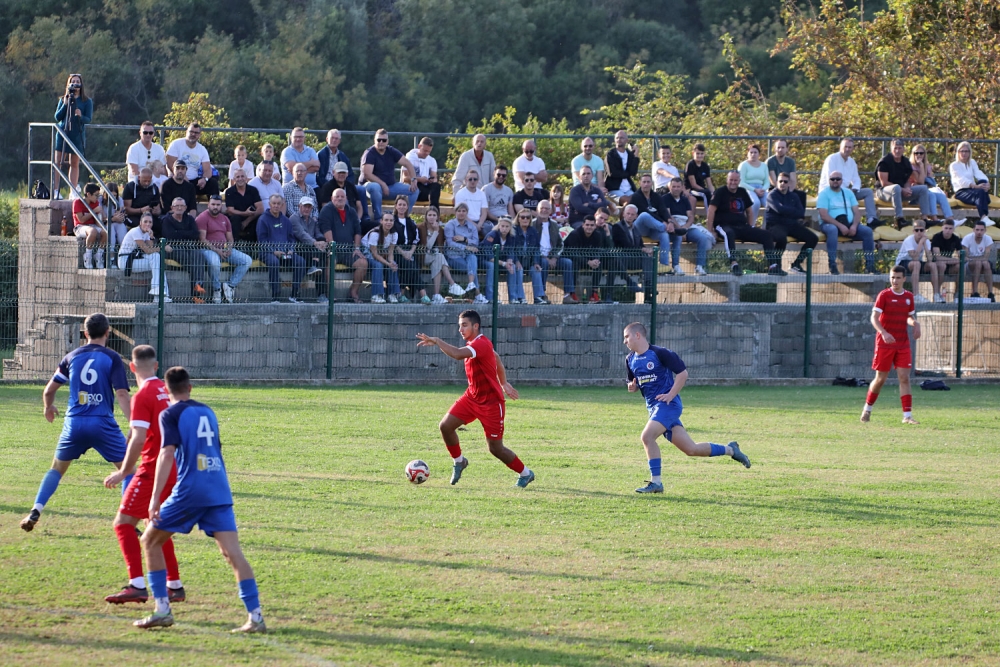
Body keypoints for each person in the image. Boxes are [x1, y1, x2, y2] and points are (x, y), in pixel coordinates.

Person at [133, 366, 265, 633]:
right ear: (190, 387)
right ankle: (256, 617)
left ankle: (162, 610)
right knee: (232, 553)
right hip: (219, 487)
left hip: (191, 489)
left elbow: (167, 454)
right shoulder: (208, 411)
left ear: (167, 391)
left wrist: (156, 498)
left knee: (149, 540)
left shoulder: (169, 413)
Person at [20, 313, 130, 533]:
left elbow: (49, 390)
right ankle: (129, 518)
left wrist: (48, 407)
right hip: (102, 423)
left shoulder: (71, 357)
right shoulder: (112, 358)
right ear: (108, 332)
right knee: (129, 470)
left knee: (56, 469)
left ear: (85, 332)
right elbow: (121, 393)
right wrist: (133, 422)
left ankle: (36, 509)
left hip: (75, 423)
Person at [623, 322, 750, 494]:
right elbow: (634, 382)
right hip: (654, 409)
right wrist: (633, 387)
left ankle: (656, 483)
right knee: (691, 449)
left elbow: (683, 374)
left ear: (638, 335)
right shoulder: (630, 360)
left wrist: (670, 395)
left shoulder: (660, 353)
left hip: (668, 405)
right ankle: (731, 450)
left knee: (647, 437)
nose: (625, 341)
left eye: (627, 337)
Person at [101, 345, 185, 605]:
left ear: (132, 367)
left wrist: (124, 471)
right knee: (156, 527)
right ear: (157, 366)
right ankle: (174, 585)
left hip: (152, 468)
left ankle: (137, 584)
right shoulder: (165, 389)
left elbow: (138, 438)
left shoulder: (143, 394)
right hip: (174, 466)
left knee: (123, 523)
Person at [416, 310, 534, 488]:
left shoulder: (480, 344)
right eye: (459, 325)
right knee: (445, 426)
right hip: (471, 398)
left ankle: (526, 473)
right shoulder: (475, 343)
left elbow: (456, 354)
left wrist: (437, 340)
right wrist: (504, 382)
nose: (460, 329)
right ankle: (459, 461)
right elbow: (497, 358)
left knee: (495, 449)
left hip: (492, 404)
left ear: (475, 326)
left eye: (464, 325)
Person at [861, 265, 921, 425]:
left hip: (902, 344)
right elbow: (874, 318)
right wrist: (884, 333)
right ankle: (867, 409)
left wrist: (915, 323)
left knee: (904, 378)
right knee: (880, 379)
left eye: (898, 277)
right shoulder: (884, 295)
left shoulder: (908, 297)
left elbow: (909, 317)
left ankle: (907, 416)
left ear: (904, 279)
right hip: (885, 344)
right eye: (892, 277)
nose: (895, 280)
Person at [704, 171, 778, 276]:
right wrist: (710, 230)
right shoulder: (720, 192)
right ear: (727, 180)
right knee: (729, 233)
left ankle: (773, 265)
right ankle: (734, 263)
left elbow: (749, 211)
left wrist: (751, 226)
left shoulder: (742, 191)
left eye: (735, 180)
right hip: (724, 225)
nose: (733, 182)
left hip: (742, 226)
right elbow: (711, 211)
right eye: (731, 180)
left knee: (766, 235)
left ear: (739, 181)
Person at [816, 170, 877, 274]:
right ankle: (832, 265)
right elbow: (824, 215)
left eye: (838, 179)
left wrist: (854, 226)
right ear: (829, 180)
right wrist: (840, 226)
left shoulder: (848, 193)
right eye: (832, 179)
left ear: (842, 181)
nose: (835, 181)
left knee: (867, 231)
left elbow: (857, 212)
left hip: (848, 225)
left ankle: (870, 266)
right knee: (832, 229)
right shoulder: (824, 194)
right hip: (830, 224)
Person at [196, 195, 253, 304]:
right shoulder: (202, 217)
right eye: (213, 204)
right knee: (215, 263)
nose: (215, 207)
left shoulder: (225, 218)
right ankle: (217, 289)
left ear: (221, 206)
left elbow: (230, 238)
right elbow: (202, 240)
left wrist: (228, 249)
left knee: (247, 260)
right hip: (208, 249)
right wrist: (217, 251)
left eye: (218, 205)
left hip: (224, 248)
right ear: (208, 205)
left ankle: (229, 286)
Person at [319, 188, 368, 303]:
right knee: (330, 261)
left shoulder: (351, 211)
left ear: (346, 198)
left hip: (348, 250)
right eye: (337, 196)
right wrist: (332, 246)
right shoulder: (326, 210)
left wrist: (356, 248)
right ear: (332, 198)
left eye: (342, 196)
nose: (340, 198)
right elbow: (326, 229)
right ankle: (330, 294)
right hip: (333, 248)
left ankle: (353, 293)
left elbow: (357, 231)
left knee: (363, 263)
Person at [818, 138, 882, 227]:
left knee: (868, 192)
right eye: (845, 147)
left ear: (852, 149)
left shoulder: (852, 162)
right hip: (831, 192)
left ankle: (871, 219)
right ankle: (849, 222)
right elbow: (833, 181)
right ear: (840, 147)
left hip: (848, 192)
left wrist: (854, 189)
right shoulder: (832, 159)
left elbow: (856, 179)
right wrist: (847, 192)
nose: (847, 149)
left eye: (850, 147)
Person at [256, 194, 307, 303]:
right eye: (274, 203)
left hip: (285, 253)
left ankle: (294, 294)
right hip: (267, 253)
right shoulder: (263, 220)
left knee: (300, 261)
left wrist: (290, 249)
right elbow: (262, 240)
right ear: (269, 204)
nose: (276, 206)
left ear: (282, 205)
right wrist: (274, 251)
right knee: (274, 262)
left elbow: (291, 238)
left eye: (278, 204)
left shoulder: (286, 220)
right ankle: (276, 296)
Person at [765, 172, 818, 274]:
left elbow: (801, 212)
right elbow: (779, 209)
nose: (783, 183)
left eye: (785, 181)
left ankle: (796, 264)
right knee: (781, 239)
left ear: (789, 183)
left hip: (791, 224)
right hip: (775, 224)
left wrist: (786, 210)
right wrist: (791, 210)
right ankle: (776, 266)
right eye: (780, 181)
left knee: (813, 238)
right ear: (777, 182)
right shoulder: (772, 195)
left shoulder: (794, 196)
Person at [360, 129, 418, 218]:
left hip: (390, 187)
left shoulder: (391, 151)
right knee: (375, 187)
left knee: (414, 191)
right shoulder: (369, 153)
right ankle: (378, 218)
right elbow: (367, 174)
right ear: (374, 140)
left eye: (384, 140)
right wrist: (383, 184)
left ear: (387, 141)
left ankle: (401, 217)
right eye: (379, 140)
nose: (381, 142)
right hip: (370, 188)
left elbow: (407, 163)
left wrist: (414, 179)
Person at [663, 177, 715, 276]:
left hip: (686, 226)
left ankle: (700, 266)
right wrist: (680, 229)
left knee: (702, 238)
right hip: (674, 226)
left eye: (678, 186)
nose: (676, 189)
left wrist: (686, 228)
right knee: (677, 237)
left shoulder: (685, 200)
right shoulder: (665, 198)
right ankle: (676, 266)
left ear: (682, 187)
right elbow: (668, 216)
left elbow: (690, 216)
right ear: (670, 187)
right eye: (674, 186)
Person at [53, 73, 93, 198]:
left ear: (81, 85)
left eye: (77, 82)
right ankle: (56, 191)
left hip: (77, 134)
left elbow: (88, 119)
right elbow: (57, 117)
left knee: (74, 163)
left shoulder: (87, 101)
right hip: (63, 133)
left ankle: (73, 190)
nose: (75, 84)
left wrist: (80, 115)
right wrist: (65, 104)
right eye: (73, 81)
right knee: (58, 162)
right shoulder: (63, 99)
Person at [876, 139, 932, 227]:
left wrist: (907, 189)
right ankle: (900, 219)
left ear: (903, 149)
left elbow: (906, 180)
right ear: (891, 149)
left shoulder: (906, 162)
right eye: (895, 148)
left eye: (899, 148)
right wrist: (902, 189)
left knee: (923, 188)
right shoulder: (884, 162)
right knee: (896, 187)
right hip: (884, 192)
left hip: (900, 191)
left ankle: (925, 219)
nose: (897, 151)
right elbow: (884, 183)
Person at [161, 197, 207, 301]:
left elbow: (195, 234)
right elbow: (169, 236)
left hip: (189, 246)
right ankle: (197, 288)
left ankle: (197, 288)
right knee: (189, 260)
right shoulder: (166, 220)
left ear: (186, 207)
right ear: (172, 208)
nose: (179, 208)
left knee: (199, 255)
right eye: (177, 206)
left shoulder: (190, 219)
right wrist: (186, 234)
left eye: (182, 205)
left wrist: (178, 233)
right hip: (173, 248)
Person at [118, 211, 170, 301]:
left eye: (150, 222)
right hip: (125, 261)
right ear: (140, 223)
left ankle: (161, 294)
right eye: (145, 221)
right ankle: (159, 295)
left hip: (136, 259)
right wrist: (163, 247)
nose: (148, 224)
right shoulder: (135, 231)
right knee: (157, 260)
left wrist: (151, 237)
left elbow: (151, 248)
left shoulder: (146, 233)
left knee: (157, 259)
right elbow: (148, 251)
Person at [629, 174, 678, 269]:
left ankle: (664, 266)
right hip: (639, 228)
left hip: (653, 228)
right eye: (644, 182)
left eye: (648, 182)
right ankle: (666, 228)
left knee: (664, 235)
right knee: (644, 215)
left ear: (651, 183)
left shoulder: (656, 196)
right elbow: (646, 211)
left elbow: (663, 210)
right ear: (640, 183)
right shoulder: (636, 196)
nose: (646, 184)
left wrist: (670, 221)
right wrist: (663, 223)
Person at [417, 206, 465, 303]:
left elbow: (440, 248)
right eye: (429, 215)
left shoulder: (441, 230)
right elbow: (428, 247)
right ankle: (452, 284)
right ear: (426, 216)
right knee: (439, 257)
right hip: (422, 256)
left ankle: (436, 295)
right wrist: (435, 232)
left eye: (434, 215)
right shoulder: (420, 227)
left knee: (438, 259)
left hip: (435, 257)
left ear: (437, 217)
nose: (431, 217)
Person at [444, 203, 488, 303]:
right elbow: (450, 243)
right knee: (472, 267)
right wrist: (467, 247)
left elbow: (476, 242)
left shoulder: (471, 226)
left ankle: (471, 284)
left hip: (467, 255)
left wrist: (464, 239)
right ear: (455, 212)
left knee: (473, 258)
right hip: (453, 256)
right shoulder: (450, 225)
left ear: (467, 213)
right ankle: (477, 294)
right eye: (459, 211)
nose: (461, 213)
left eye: (464, 211)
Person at [289, 196, 329, 300]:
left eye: (309, 207)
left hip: (312, 249)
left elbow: (318, 233)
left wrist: (322, 242)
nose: (307, 209)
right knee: (318, 253)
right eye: (305, 206)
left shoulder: (312, 220)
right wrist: (315, 243)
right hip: (297, 248)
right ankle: (321, 293)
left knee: (323, 257)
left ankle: (321, 293)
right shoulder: (294, 218)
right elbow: (301, 235)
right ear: (299, 206)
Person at [612, 206, 656, 297]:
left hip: (634, 259)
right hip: (623, 260)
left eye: (632, 214)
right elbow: (626, 245)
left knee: (648, 257)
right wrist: (642, 249)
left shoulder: (636, 229)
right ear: (623, 214)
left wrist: (647, 250)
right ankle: (645, 287)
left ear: (636, 216)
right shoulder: (617, 227)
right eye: (628, 213)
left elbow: (641, 244)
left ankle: (649, 287)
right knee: (643, 254)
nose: (630, 216)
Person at [165, 123, 218, 198]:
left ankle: (214, 206)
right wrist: (183, 177)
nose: (193, 134)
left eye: (196, 133)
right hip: (178, 179)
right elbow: (170, 163)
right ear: (186, 132)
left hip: (194, 182)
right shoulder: (176, 144)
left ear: (199, 135)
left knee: (213, 183)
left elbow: (208, 170)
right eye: (191, 132)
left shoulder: (202, 149)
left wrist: (204, 179)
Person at [949, 142, 996, 226]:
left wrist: (987, 183)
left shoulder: (972, 162)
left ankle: (984, 201)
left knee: (983, 182)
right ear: (958, 152)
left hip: (972, 189)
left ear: (969, 152)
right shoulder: (954, 165)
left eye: (966, 151)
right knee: (980, 192)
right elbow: (961, 180)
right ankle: (983, 217)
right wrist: (974, 186)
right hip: (961, 191)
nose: (964, 153)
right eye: (961, 151)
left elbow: (978, 173)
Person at [562, 215, 606, 303]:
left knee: (599, 265)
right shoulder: (574, 234)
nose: (589, 227)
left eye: (592, 225)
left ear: (594, 226)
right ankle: (572, 293)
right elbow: (573, 253)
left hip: (588, 259)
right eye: (587, 225)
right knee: (573, 264)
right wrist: (588, 262)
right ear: (583, 225)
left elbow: (598, 250)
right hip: (571, 259)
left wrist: (596, 260)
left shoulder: (597, 235)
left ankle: (594, 294)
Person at [391, 195, 426, 303]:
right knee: (411, 267)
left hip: (410, 251)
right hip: (396, 251)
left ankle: (401, 294)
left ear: (407, 207)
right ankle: (423, 294)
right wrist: (403, 253)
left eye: (404, 205)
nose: (402, 207)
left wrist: (410, 252)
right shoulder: (392, 220)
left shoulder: (411, 222)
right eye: (400, 204)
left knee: (411, 267)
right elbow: (391, 241)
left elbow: (416, 239)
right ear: (396, 206)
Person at [894, 222, 940, 303]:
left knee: (933, 265)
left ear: (924, 231)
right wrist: (921, 243)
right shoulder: (908, 240)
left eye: (921, 230)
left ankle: (936, 295)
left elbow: (930, 259)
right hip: (902, 263)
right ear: (913, 231)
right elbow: (914, 257)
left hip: (916, 262)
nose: (919, 232)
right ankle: (916, 295)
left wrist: (925, 244)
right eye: (917, 230)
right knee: (916, 263)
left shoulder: (927, 241)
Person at [532, 200, 567, 304]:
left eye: (546, 208)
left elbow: (561, 244)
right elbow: (532, 246)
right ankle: (542, 294)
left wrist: (554, 257)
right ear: (537, 210)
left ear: (550, 211)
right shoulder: (532, 224)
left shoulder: (555, 225)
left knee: (568, 263)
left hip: (553, 257)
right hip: (538, 258)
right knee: (544, 263)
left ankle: (568, 294)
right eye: (541, 208)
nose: (544, 210)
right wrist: (545, 258)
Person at [362, 211, 401, 304]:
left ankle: (392, 294)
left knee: (393, 265)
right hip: (367, 253)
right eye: (386, 220)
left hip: (381, 253)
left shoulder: (394, 234)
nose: (389, 222)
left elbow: (390, 252)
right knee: (378, 265)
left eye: (391, 220)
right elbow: (374, 254)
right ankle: (376, 295)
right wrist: (387, 263)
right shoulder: (375, 234)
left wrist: (391, 262)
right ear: (381, 221)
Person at [483, 216, 522, 304]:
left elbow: (511, 251)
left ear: (510, 227)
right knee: (491, 265)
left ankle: (513, 298)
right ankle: (490, 298)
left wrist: (509, 261)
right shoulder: (492, 235)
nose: (504, 229)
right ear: (499, 226)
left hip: (500, 262)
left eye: (507, 226)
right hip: (485, 260)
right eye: (502, 226)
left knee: (512, 266)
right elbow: (489, 256)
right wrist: (504, 264)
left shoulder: (511, 237)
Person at [908, 144, 950, 222]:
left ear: (924, 154)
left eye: (921, 153)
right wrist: (921, 166)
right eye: (916, 153)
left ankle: (950, 220)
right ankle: (935, 219)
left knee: (941, 196)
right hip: (914, 195)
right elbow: (921, 181)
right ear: (913, 154)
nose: (919, 155)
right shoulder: (911, 166)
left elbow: (931, 181)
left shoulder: (927, 166)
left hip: (927, 190)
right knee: (931, 195)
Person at [73, 183, 108, 269]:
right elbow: (81, 220)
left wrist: (102, 224)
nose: (97, 197)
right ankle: (88, 256)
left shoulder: (95, 203)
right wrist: (93, 211)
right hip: (80, 226)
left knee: (106, 233)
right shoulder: (77, 202)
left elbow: (97, 221)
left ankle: (99, 256)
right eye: (96, 195)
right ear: (88, 194)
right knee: (93, 231)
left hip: (92, 225)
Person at [224, 169, 262, 242]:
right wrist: (244, 213)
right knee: (235, 218)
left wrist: (247, 221)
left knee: (260, 218)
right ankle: (234, 245)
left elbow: (260, 208)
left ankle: (254, 248)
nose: (240, 179)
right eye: (238, 177)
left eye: (242, 176)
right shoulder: (229, 192)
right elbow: (230, 210)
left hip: (251, 217)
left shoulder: (253, 190)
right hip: (236, 217)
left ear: (246, 178)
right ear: (234, 179)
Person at [766, 139, 807, 208]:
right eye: (778, 147)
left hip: (787, 187)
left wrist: (789, 192)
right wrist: (783, 191)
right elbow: (773, 181)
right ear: (775, 149)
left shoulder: (791, 162)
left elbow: (793, 180)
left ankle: (800, 217)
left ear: (787, 149)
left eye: (782, 147)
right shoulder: (770, 161)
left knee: (801, 195)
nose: (780, 150)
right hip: (774, 188)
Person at [512, 209, 542, 304]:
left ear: (530, 219)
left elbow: (537, 249)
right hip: (517, 260)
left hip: (529, 261)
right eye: (522, 217)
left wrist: (536, 262)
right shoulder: (513, 230)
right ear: (518, 219)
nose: (525, 219)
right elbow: (511, 248)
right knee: (519, 270)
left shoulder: (533, 231)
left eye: (528, 217)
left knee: (536, 270)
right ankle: (521, 297)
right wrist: (516, 261)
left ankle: (538, 297)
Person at [962, 220, 995, 300]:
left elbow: (986, 257)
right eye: (977, 230)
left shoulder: (988, 239)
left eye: (981, 230)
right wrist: (979, 259)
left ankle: (990, 293)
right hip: (969, 266)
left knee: (986, 264)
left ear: (985, 230)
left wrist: (975, 258)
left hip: (982, 265)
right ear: (973, 230)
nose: (979, 232)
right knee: (978, 263)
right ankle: (974, 292)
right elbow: (966, 257)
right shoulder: (967, 239)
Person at [930, 218, 962, 300]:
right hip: (936, 264)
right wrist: (954, 260)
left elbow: (961, 255)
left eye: (950, 228)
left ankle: (957, 293)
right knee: (942, 265)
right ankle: (936, 293)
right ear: (942, 228)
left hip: (949, 264)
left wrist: (958, 260)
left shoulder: (956, 239)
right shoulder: (937, 237)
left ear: (953, 229)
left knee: (960, 266)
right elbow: (937, 257)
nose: (948, 230)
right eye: (946, 228)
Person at [404, 136, 440, 208]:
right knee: (419, 186)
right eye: (425, 150)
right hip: (413, 187)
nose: (426, 153)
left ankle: (433, 211)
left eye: (429, 151)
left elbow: (434, 177)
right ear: (419, 146)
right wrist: (420, 179)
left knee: (436, 186)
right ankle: (433, 211)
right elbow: (405, 178)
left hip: (425, 187)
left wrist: (431, 180)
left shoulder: (431, 160)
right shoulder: (409, 158)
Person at [454, 170, 491, 238]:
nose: (472, 181)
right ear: (466, 180)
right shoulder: (460, 194)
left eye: (475, 179)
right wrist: (474, 225)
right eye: (470, 179)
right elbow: (460, 213)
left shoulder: (481, 194)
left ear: (478, 180)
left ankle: (486, 248)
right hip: (465, 221)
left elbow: (484, 212)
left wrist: (479, 224)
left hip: (480, 222)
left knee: (490, 232)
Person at [737, 144, 769, 223]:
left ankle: (767, 227)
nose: (753, 154)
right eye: (751, 152)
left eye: (755, 152)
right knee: (755, 203)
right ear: (747, 154)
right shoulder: (743, 165)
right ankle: (752, 224)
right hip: (748, 188)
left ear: (759, 154)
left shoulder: (764, 166)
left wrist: (763, 189)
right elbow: (741, 182)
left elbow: (767, 181)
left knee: (770, 204)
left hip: (762, 189)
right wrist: (754, 190)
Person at [605, 130, 639, 202]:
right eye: (617, 138)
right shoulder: (611, 154)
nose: (619, 140)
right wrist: (628, 173)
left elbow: (633, 172)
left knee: (639, 199)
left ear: (626, 140)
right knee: (627, 200)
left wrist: (636, 155)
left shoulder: (629, 154)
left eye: (621, 138)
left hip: (628, 188)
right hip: (614, 188)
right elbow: (612, 173)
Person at [685, 143, 715, 212]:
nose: (700, 156)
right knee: (706, 193)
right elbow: (693, 184)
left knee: (716, 194)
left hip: (702, 190)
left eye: (701, 154)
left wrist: (713, 192)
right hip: (691, 190)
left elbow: (709, 184)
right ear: (693, 153)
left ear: (704, 154)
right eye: (697, 153)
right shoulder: (690, 165)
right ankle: (710, 216)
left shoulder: (705, 166)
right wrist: (706, 191)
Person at [482, 166, 514, 230]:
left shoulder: (509, 191)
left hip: (506, 219)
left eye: (503, 175)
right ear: (494, 174)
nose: (501, 177)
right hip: (491, 220)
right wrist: (498, 219)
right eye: (498, 174)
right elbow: (486, 211)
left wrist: (513, 221)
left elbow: (511, 210)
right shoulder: (486, 189)